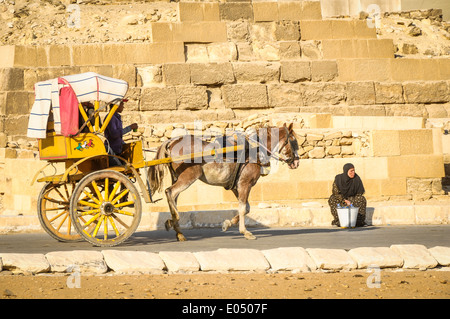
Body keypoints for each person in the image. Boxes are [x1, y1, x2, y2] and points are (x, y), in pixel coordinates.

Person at [328, 163, 367, 227]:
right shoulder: (339, 179)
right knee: (332, 198)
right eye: (351, 171)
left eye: (354, 170)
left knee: (361, 198)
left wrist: (352, 200)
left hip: (352, 198)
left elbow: (359, 192)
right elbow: (336, 192)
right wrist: (344, 200)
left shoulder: (356, 178)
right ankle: (338, 221)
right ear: (346, 171)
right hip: (341, 198)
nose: (353, 173)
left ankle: (359, 221)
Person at [104, 99, 138, 166]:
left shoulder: (116, 117)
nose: (123, 107)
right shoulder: (111, 118)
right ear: (117, 106)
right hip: (112, 150)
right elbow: (114, 134)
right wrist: (130, 128)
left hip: (117, 149)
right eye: (122, 105)